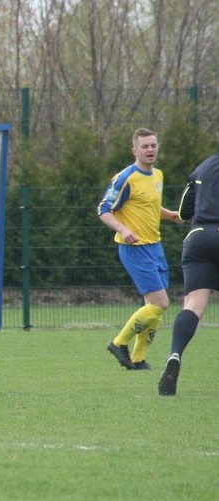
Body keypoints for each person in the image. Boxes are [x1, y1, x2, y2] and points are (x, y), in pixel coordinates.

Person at [98, 128, 181, 371]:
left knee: (153, 308)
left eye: (153, 145)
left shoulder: (158, 175)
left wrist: (170, 215)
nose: (150, 150)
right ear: (135, 150)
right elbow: (103, 209)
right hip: (134, 249)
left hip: (155, 246)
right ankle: (118, 343)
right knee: (160, 303)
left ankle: (138, 359)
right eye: (145, 146)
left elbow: (151, 207)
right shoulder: (125, 178)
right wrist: (123, 230)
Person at [158, 153, 219, 396]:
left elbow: (183, 212)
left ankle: (175, 354)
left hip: (199, 237)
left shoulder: (202, 167)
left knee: (193, 305)